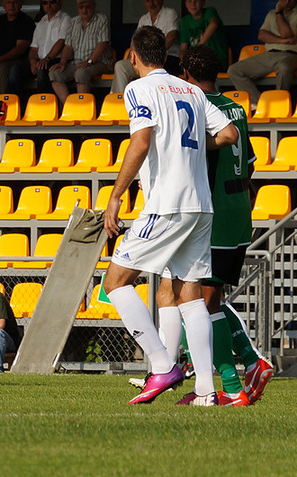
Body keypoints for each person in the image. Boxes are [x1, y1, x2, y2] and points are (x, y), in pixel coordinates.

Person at [101, 26, 238, 406]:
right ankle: (207, 393)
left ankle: (162, 364)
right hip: (200, 204)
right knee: (190, 296)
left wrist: (115, 197)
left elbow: (141, 141)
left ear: (133, 57)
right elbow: (229, 134)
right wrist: (190, 148)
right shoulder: (192, 89)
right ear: (166, 55)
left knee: (115, 282)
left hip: (166, 202)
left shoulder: (138, 89)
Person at [150, 45, 272, 406]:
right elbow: (248, 162)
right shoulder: (235, 106)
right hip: (238, 209)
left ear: (186, 74)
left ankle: (233, 383)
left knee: (199, 305)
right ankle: (250, 365)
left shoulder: (200, 106)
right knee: (211, 297)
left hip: (214, 214)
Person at [228, 0, 297, 112]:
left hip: (290, 54)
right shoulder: (271, 14)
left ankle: (279, 104)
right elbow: (262, 35)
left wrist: (279, 11)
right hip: (269, 54)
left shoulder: (292, 13)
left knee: (284, 67)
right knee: (234, 70)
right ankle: (262, 104)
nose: (287, 1)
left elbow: (286, 33)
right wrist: (282, 41)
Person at [49, 0, 111, 107]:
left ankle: (82, 108)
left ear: (94, 6)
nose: (84, 10)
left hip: (100, 63)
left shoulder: (102, 19)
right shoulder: (74, 22)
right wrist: (62, 62)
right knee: (54, 73)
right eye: (81, 7)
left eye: (87, 7)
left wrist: (89, 61)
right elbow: (68, 46)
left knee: (81, 73)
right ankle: (69, 107)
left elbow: (102, 44)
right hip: (77, 63)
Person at [110, 0, 179, 93]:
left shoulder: (170, 13)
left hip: (165, 59)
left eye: (154, 0)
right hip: (144, 60)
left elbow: (172, 36)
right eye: (147, 1)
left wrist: (155, 53)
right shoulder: (143, 19)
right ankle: (120, 103)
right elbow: (135, 43)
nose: (151, 3)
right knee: (121, 66)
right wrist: (130, 60)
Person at [14, 0, 71, 97]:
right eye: (45, 3)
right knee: (15, 70)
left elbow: (61, 42)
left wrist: (47, 59)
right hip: (40, 60)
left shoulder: (66, 19)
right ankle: (20, 104)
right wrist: (32, 61)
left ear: (60, 3)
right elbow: (34, 48)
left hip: (56, 60)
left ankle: (45, 105)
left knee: (41, 70)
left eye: (52, 2)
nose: (48, 5)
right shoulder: (41, 22)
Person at [179, 0, 228, 71]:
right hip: (197, 62)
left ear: (203, 2)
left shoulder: (209, 11)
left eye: (196, 0)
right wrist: (184, 62)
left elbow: (214, 24)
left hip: (216, 59)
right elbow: (183, 48)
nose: (193, 4)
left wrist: (198, 47)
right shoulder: (185, 21)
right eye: (189, 1)